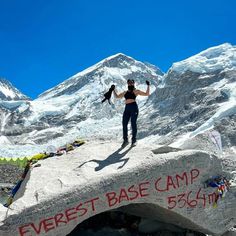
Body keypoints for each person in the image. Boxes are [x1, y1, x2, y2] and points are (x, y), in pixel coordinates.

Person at [113, 79, 150, 147]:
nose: (130, 84)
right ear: (127, 84)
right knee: (124, 123)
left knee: (133, 123)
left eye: (131, 83)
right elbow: (117, 96)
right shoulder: (125, 92)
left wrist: (148, 85)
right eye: (129, 83)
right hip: (127, 108)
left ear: (134, 83)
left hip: (133, 107)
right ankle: (125, 140)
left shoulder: (136, 91)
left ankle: (134, 140)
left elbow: (146, 94)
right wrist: (113, 90)